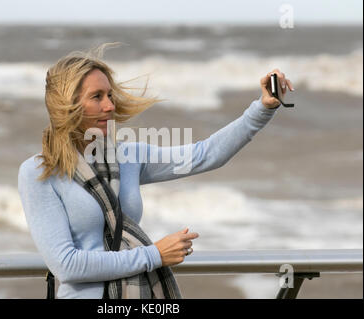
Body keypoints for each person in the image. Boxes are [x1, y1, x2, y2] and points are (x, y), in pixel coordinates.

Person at [17, 43, 294, 299]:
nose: (110, 106)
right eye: (97, 97)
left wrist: (263, 108)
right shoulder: (39, 173)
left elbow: (204, 155)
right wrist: (155, 255)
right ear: (68, 105)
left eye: (110, 95)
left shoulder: (128, 157)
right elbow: (67, 266)